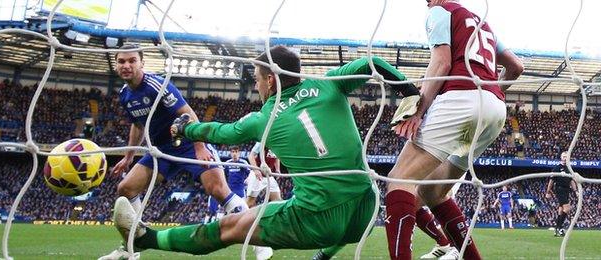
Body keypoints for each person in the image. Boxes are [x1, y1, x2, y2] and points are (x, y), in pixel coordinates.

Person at [107, 45, 420, 258]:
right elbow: (372, 62)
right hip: (365, 210)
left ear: (270, 80)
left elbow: (220, 132)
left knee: (230, 228)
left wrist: (185, 129)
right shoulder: (329, 83)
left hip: (316, 220)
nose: (256, 87)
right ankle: (324, 255)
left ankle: (148, 240)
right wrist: (409, 94)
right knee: (340, 196)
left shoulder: (262, 120)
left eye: (256, 80)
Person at [384, 0, 524, 259]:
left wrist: (418, 110)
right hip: (495, 109)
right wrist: (489, 95)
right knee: (432, 191)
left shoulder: (440, 11)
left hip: (460, 98)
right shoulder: (484, 25)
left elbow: (441, 63)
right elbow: (516, 67)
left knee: (399, 179)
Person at [99, 44, 248, 260]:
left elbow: (187, 113)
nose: (126, 65)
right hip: (161, 150)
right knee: (126, 189)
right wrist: (129, 157)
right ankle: (131, 249)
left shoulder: (155, 85)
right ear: (116, 64)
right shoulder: (125, 95)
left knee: (217, 190)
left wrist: (200, 147)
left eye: (132, 60)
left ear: (142, 63)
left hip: (187, 143)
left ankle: (258, 243)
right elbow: (138, 125)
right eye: (121, 61)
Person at [205, 145, 250, 223]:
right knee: (223, 208)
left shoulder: (243, 162)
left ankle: (242, 224)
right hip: (229, 190)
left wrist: (248, 179)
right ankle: (219, 223)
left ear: (239, 153)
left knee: (242, 209)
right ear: (230, 153)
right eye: (233, 152)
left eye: (236, 152)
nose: (234, 154)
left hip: (240, 190)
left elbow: (250, 173)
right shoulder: (227, 163)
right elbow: (223, 175)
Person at [545, 152, 577, 237]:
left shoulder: (569, 168)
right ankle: (560, 228)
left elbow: (571, 180)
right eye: (564, 156)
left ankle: (557, 228)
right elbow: (551, 180)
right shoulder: (557, 168)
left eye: (567, 156)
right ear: (561, 157)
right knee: (567, 208)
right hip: (560, 189)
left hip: (567, 190)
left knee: (561, 209)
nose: (565, 158)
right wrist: (548, 192)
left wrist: (575, 191)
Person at [246, 142, 282, 208]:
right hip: (258, 176)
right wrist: (256, 170)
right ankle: (237, 217)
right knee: (250, 203)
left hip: (269, 176)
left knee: (277, 201)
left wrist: (277, 169)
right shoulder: (261, 142)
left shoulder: (277, 143)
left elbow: (277, 157)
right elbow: (251, 156)